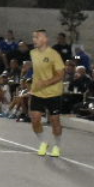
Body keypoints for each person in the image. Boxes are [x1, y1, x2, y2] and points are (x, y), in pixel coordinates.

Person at [28, 28, 68, 156]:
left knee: (55, 121)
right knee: (35, 120)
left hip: (53, 93)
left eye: (37, 37)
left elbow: (61, 75)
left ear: (45, 39)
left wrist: (46, 82)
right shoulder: (33, 53)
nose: (34, 40)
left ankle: (57, 146)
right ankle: (43, 143)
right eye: (33, 37)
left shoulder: (54, 54)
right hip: (37, 92)